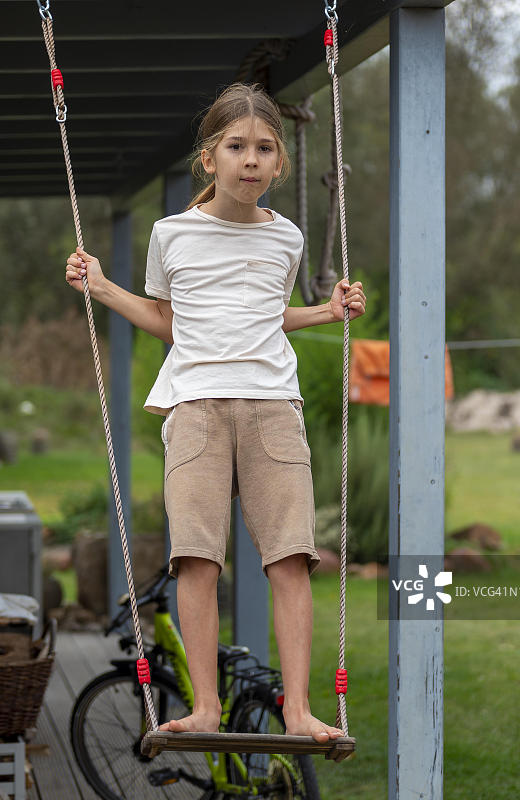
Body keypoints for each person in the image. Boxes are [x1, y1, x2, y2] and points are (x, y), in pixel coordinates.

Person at [66, 82, 366, 743]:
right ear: (210, 158)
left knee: (290, 558)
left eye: (264, 148)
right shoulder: (171, 235)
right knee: (197, 559)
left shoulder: (285, 239)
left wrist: (327, 310)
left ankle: (297, 710)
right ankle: (206, 707)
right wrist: (103, 286)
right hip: (196, 407)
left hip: (273, 411)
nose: (251, 159)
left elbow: (263, 315)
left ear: (279, 164)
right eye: (236, 147)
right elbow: (171, 321)